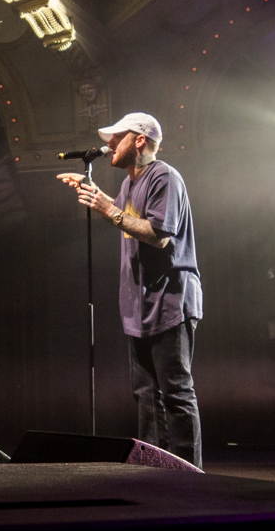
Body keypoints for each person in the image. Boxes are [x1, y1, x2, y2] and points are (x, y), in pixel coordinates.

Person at [57, 112, 203, 469]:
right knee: (146, 397)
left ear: (139, 140)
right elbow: (126, 216)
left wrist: (107, 209)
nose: (108, 146)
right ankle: (153, 474)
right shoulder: (128, 185)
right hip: (139, 306)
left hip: (170, 299)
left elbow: (158, 234)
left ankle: (190, 476)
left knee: (176, 393)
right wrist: (98, 195)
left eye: (115, 138)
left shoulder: (164, 176)